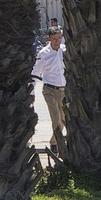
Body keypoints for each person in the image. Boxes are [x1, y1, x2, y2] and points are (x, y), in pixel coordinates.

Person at [32, 23, 67, 155]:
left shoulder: (65, 50)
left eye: (59, 38)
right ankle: (56, 147)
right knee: (56, 119)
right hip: (50, 90)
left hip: (64, 90)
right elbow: (36, 72)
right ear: (49, 39)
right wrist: (32, 90)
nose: (57, 41)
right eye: (54, 39)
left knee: (64, 120)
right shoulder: (44, 53)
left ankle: (54, 141)